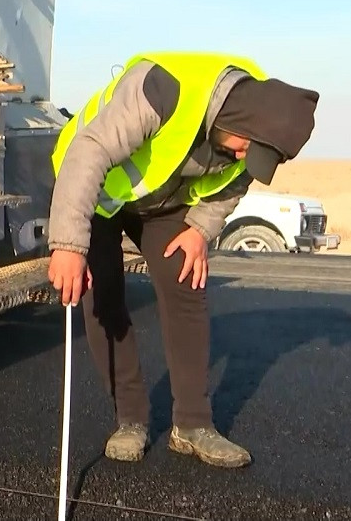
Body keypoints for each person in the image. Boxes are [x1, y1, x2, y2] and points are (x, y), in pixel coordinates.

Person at [47, 52, 319, 468]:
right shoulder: (162, 89)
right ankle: (130, 421)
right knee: (103, 298)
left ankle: (192, 426)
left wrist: (200, 230)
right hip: (94, 189)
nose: (246, 158)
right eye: (246, 148)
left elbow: (234, 183)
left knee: (186, 279)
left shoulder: (260, 122)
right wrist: (68, 245)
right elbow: (90, 152)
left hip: (163, 199)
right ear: (235, 123)